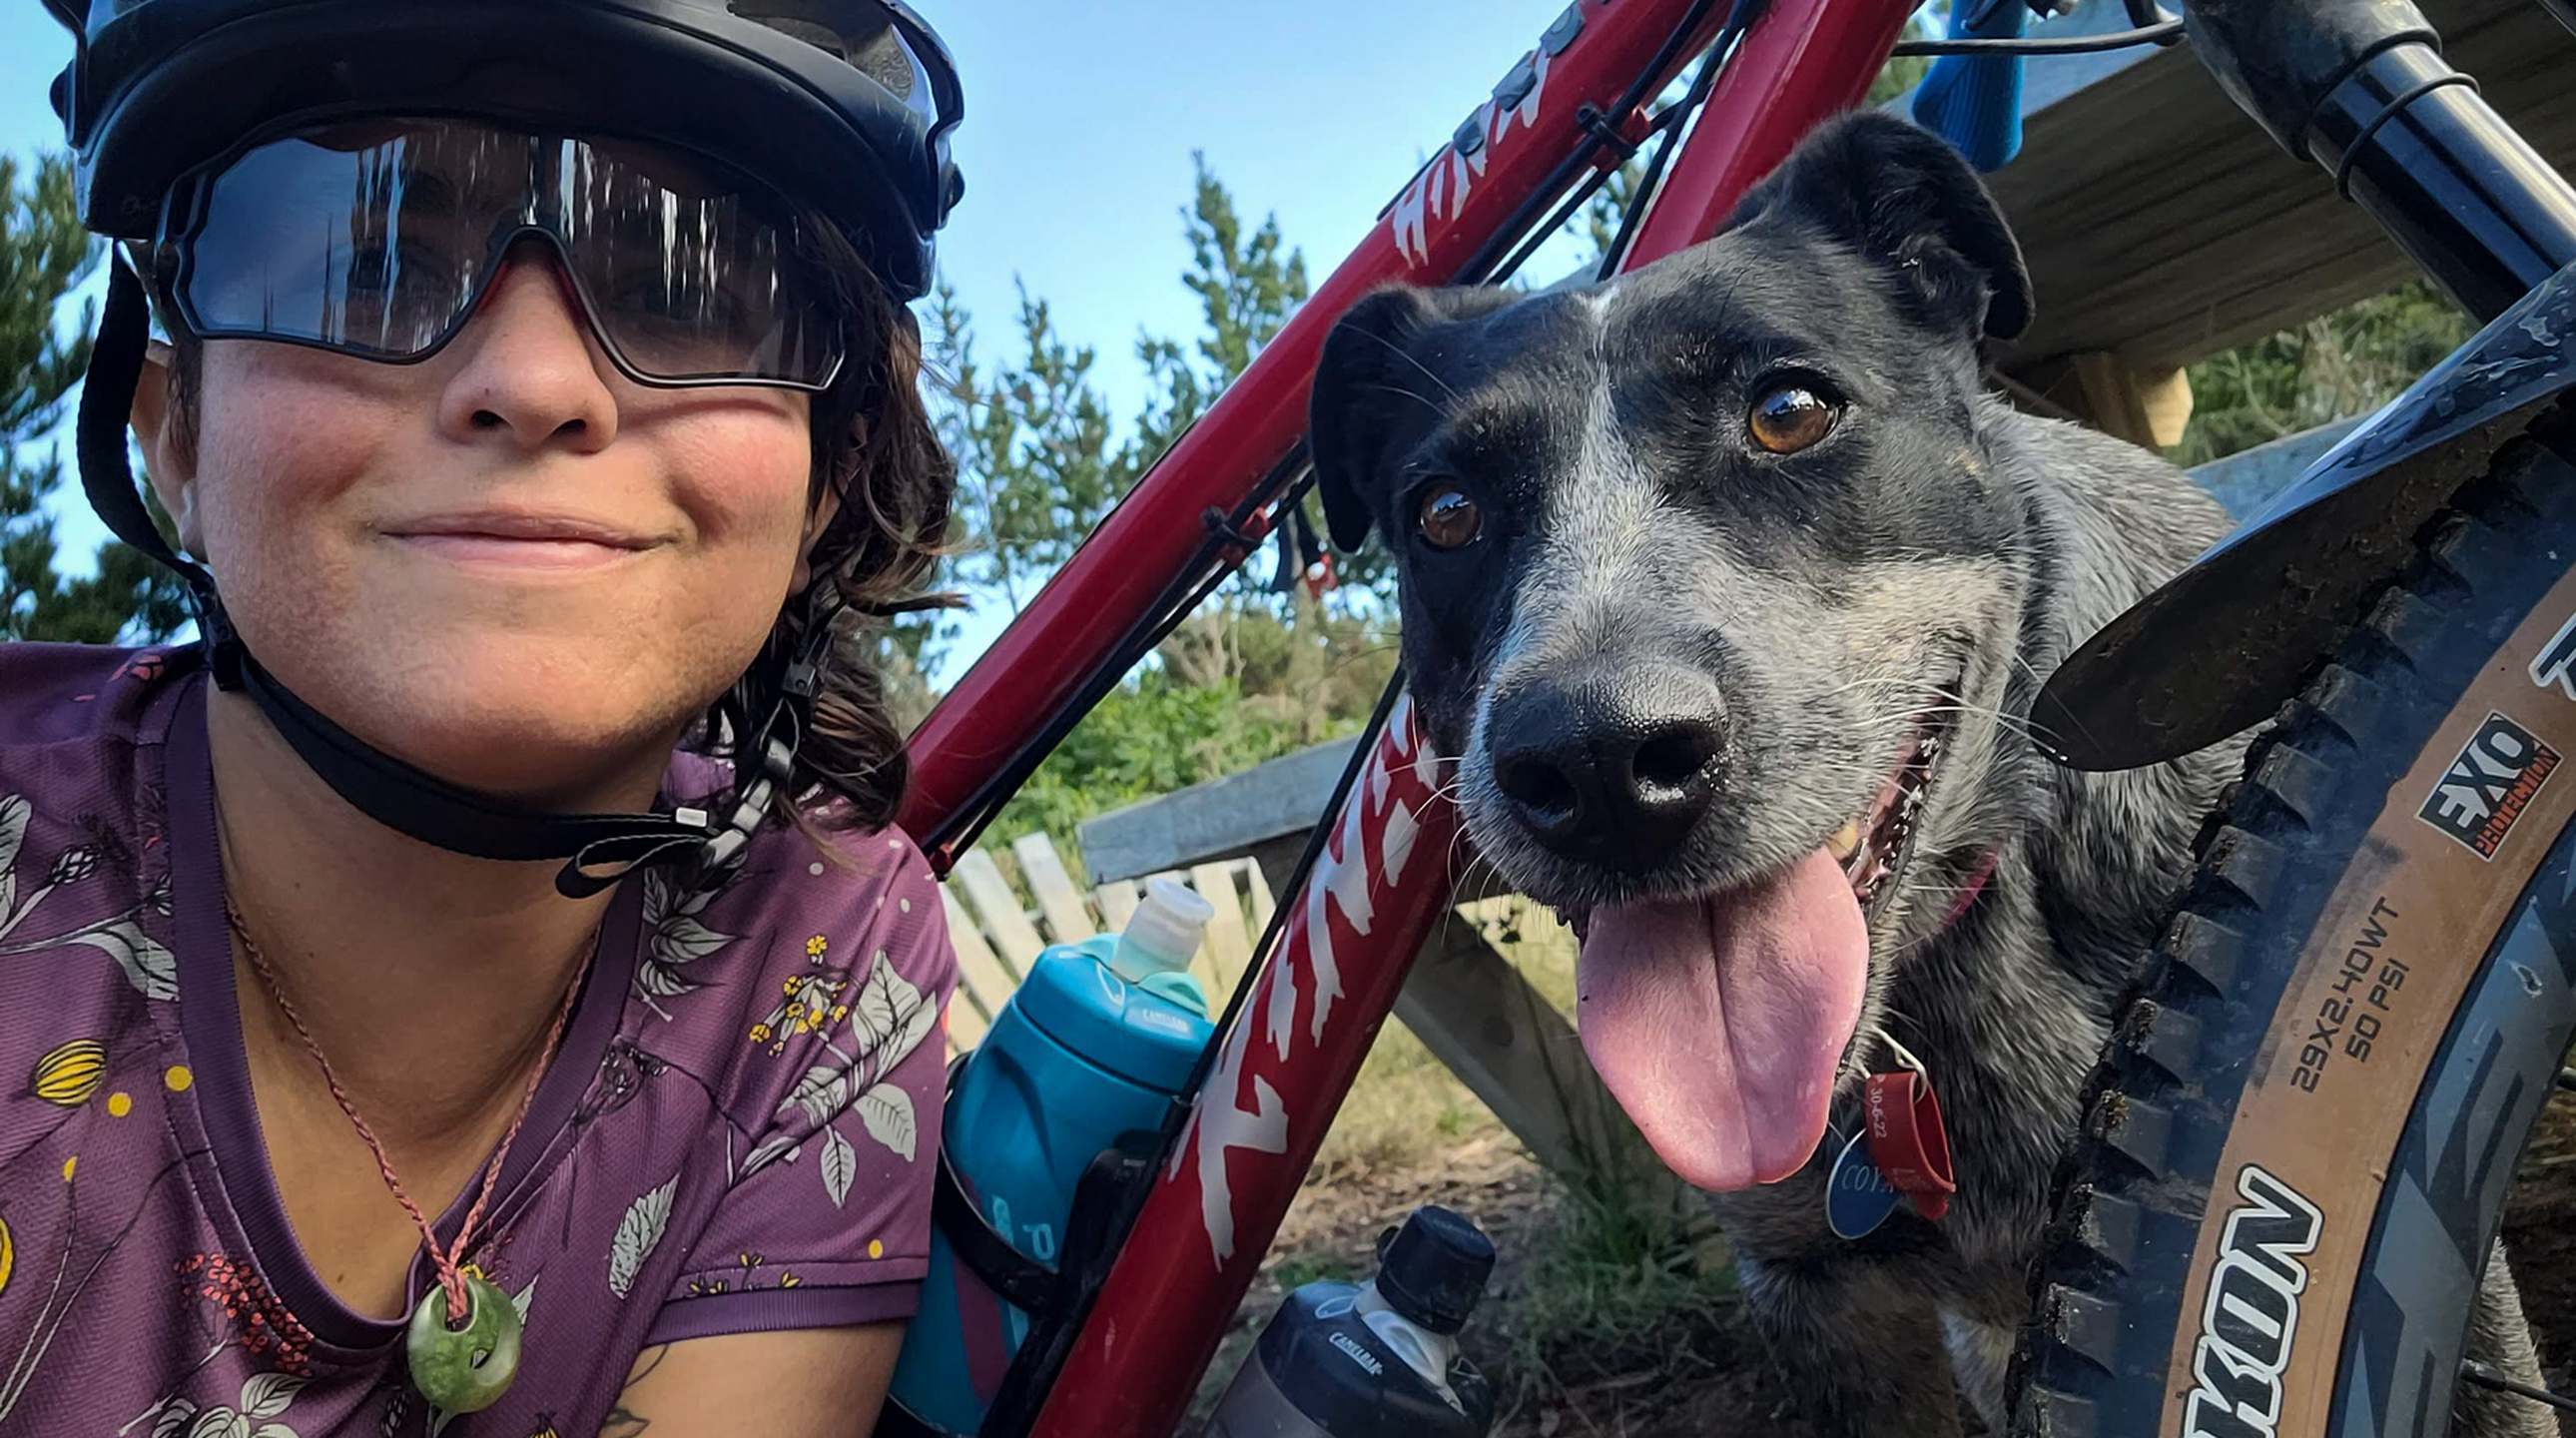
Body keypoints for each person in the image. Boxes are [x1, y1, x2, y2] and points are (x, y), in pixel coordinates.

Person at [0, 2, 966, 1432]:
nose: (532, 384)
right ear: (174, 433)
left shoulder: (825, 946)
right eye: (370, 261)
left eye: (685, 288)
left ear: (823, 483)